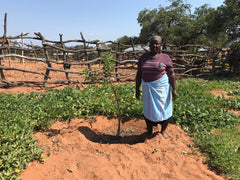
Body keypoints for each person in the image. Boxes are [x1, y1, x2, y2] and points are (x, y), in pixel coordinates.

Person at [135, 35, 177, 139]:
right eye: (152, 43)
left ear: (160, 45)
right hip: (147, 89)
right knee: (148, 109)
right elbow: (139, 74)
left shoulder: (165, 58)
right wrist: (137, 89)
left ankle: (163, 131)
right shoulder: (143, 57)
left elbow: (171, 74)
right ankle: (149, 131)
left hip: (161, 89)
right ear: (149, 45)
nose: (154, 45)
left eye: (157, 43)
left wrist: (174, 89)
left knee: (164, 109)